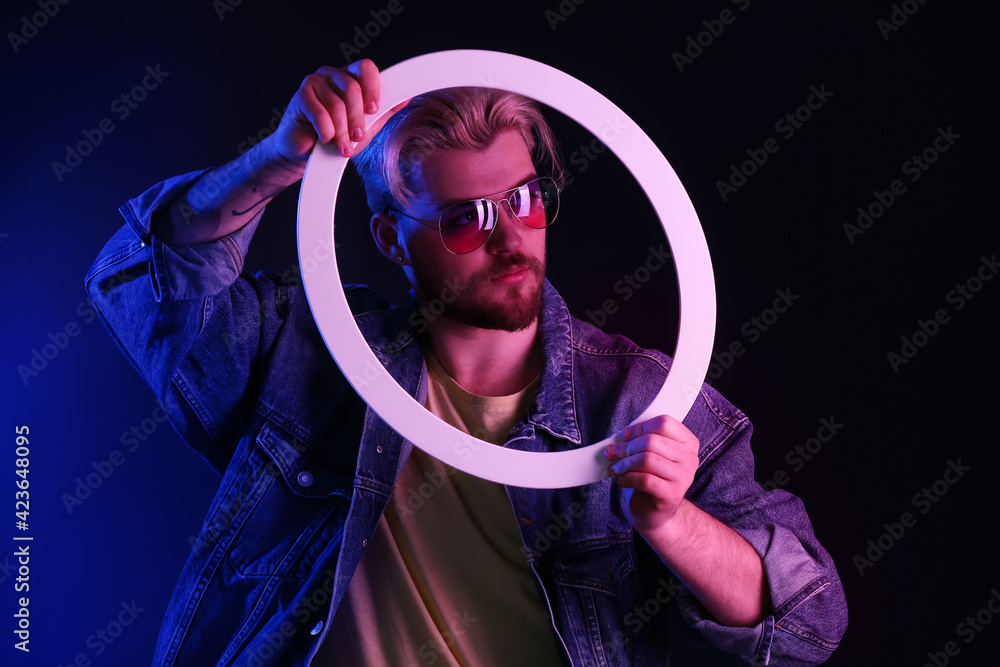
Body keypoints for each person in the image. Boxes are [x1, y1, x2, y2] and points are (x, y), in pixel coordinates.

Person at [86, 59, 847, 665]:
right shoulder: (309, 352)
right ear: (391, 240)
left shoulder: (640, 399)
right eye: (463, 219)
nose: (510, 237)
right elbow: (145, 279)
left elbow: (809, 622)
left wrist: (671, 520)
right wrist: (279, 160)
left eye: (524, 199)